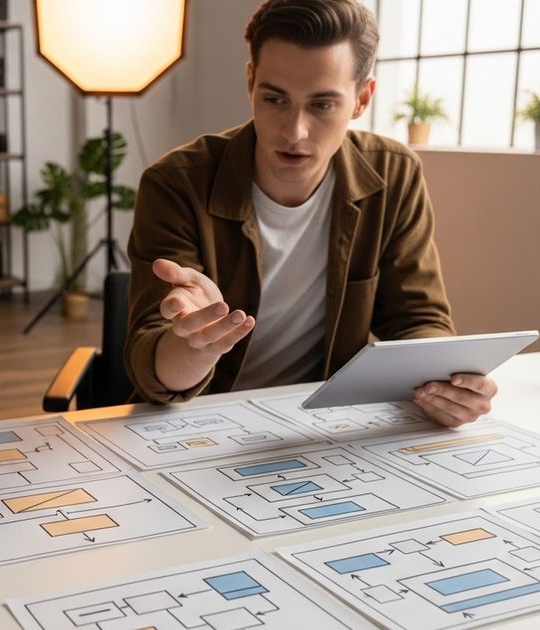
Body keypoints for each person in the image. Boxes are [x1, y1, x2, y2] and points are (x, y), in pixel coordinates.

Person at [124, 0, 496, 427]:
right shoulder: (177, 182)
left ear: (361, 99)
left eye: (321, 105)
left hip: (320, 422)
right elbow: (150, 364)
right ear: (250, 83)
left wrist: (448, 386)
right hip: (198, 421)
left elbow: (418, 319)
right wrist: (194, 347)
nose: (294, 131)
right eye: (275, 99)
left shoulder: (395, 172)